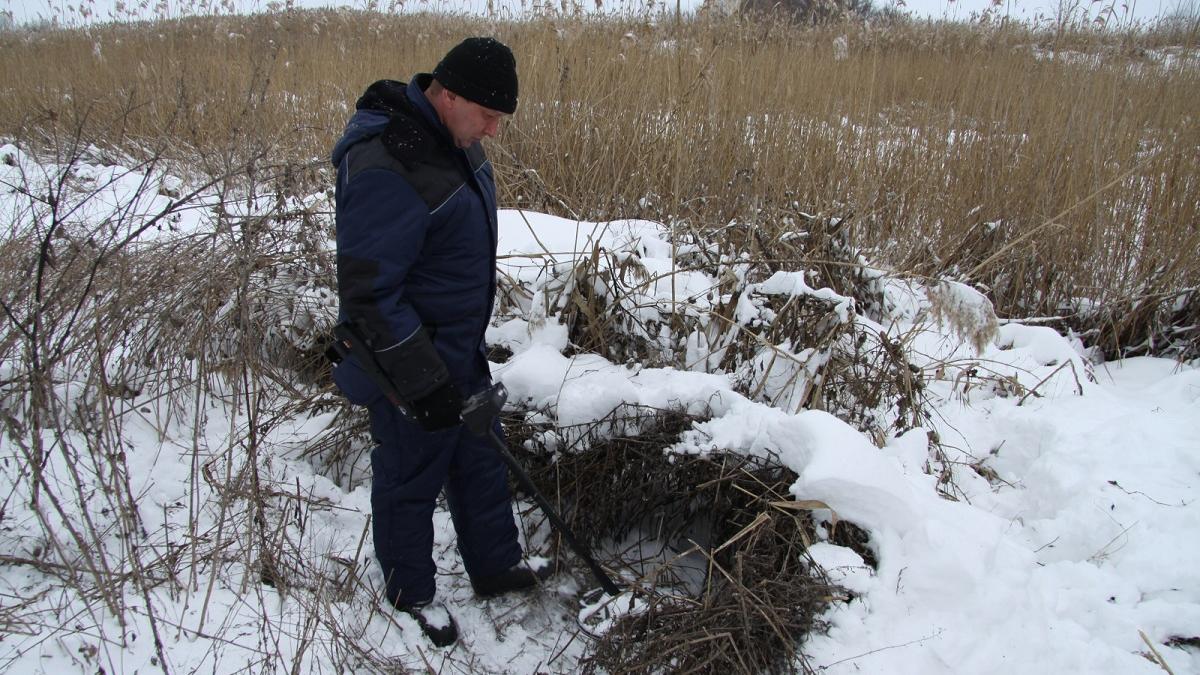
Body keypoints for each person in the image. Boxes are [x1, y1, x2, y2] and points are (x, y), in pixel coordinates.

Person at [329, 37, 552, 648]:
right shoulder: (387, 163)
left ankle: (496, 567)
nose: (493, 132)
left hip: (460, 349)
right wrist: (424, 383)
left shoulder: (457, 141)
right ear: (447, 95)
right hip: (407, 362)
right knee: (409, 477)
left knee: (480, 462)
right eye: (487, 116)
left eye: (500, 119)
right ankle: (411, 595)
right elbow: (370, 296)